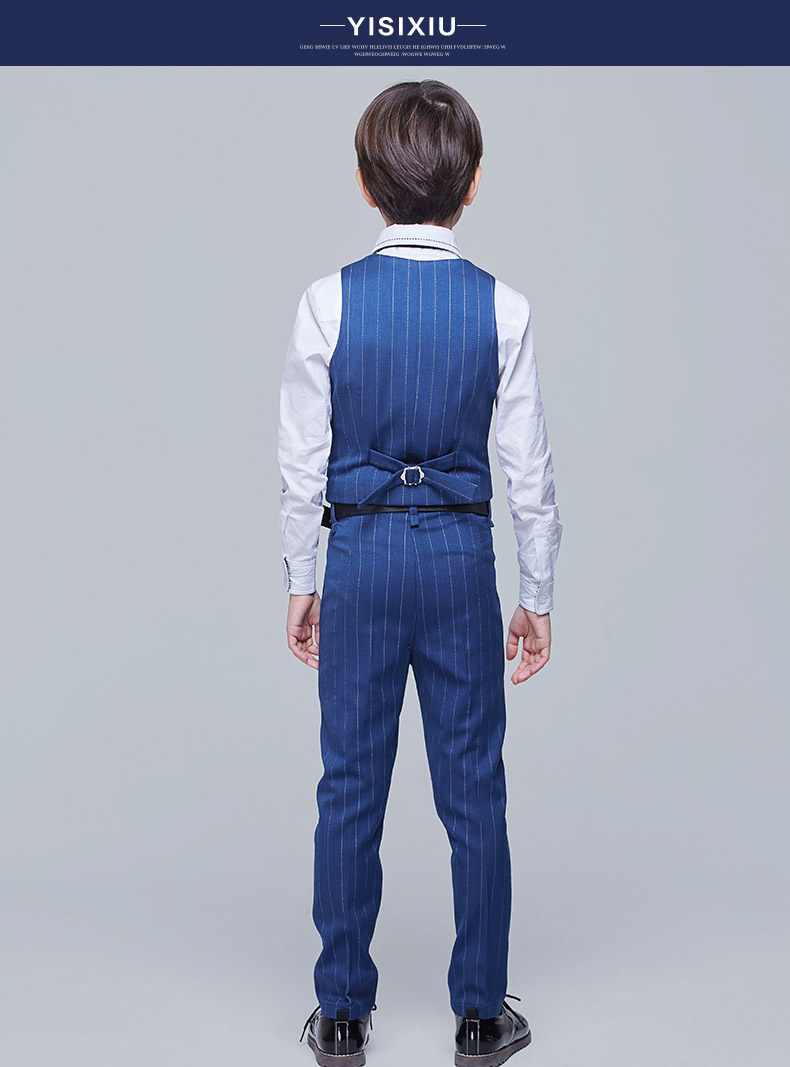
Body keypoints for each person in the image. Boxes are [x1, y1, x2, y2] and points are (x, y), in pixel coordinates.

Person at [278, 79, 563, 1067]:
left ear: (365, 184)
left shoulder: (326, 301)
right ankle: (480, 1015)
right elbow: (530, 471)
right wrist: (536, 595)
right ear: (471, 184)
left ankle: (341, 1014)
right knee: (473, 786)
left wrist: (302, 576)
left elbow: (299, 461)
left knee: (349, 784)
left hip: (360, 557)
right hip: (456, 559)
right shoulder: (502, 307)